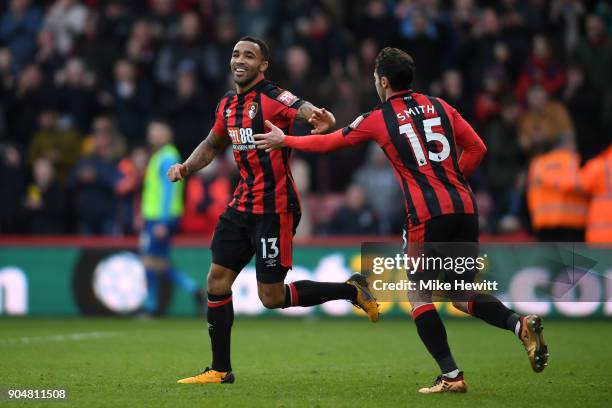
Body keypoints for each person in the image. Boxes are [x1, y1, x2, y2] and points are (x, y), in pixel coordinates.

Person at [254, 47, 549, 394]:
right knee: (460, 292)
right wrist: (451, 181)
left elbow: (331, 142)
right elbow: (478, 148)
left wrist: (284, 139)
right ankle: (519, 325)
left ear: (382, 81)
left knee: (419, 294)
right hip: (465, 208)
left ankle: (451, 376)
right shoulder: (441, 106)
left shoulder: (378, 117)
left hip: (426, 214)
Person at [167, 36, 379, 384]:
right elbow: (212, 143)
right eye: (235, 54)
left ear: (262, 65)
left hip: (275, 208)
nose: (240, 60)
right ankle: (220, 370)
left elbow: (300, 106)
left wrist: (317, 116)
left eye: (249, 56)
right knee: (216, 281)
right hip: (241, 205)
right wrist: (187, 167)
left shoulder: (272, 96)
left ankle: (351, 290)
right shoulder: (227, 106)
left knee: (271, 297)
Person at [140, 121, 203, 315]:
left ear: (166, 134)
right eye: (151, 132)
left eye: (157, 132)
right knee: (160, 262)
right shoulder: (160, 156)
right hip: (154, 217)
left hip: (160, 218)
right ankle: (193, 289)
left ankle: (151, 307)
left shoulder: (168, 156)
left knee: (150, 262)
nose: (152, 135)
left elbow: (169, 190)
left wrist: (162, 221)